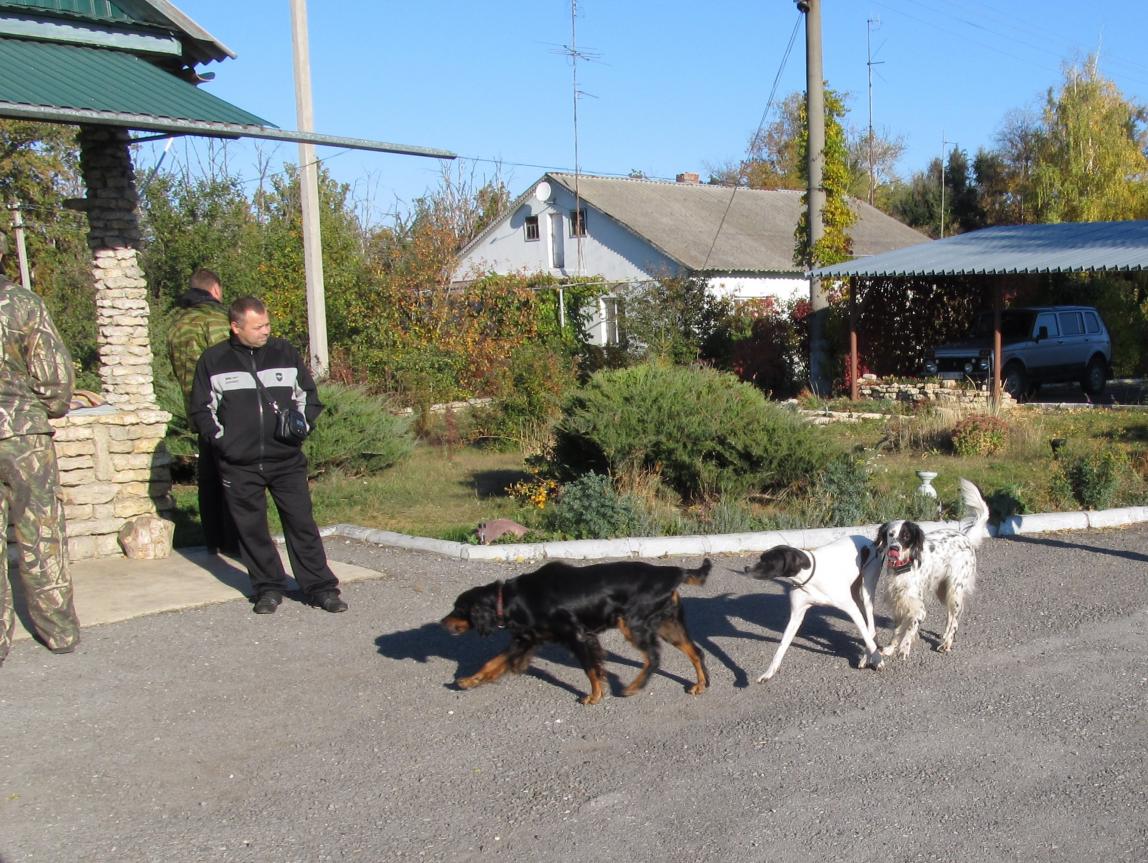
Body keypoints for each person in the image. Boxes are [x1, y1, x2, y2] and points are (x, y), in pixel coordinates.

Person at [189, 296, 346, 614]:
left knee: (302, 524)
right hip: (239, 464)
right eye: (258, 326)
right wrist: (223, 442)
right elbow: (201, 410)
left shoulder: (284, 352)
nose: (266, 331)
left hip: (285, 459)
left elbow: (308, 396)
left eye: (267, 324)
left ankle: (321, 588)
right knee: (252, 530)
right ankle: (268, 588)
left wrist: (301, 428)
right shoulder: (213, 360)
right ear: (236, 327)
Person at [0, 230, 81, 663]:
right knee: (41, 533)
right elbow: (54, 379)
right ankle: (58, 630)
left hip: (22, 429)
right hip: (24, 437)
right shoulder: (23, 304)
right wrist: (44, 408)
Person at [165, 268, 238, 555]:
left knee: (208, 479)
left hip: (196, 411)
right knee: (233, 476)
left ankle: (213, 539)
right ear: (216, 290)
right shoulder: (217, 320)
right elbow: (231, 366)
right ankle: (234, 540)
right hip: (225, 411)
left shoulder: (177, 324)